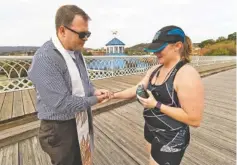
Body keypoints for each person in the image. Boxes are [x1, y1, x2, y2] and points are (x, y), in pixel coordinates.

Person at [28, 5, 111, 165]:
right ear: (62, 30)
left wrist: (93, 90)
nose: (85, 39)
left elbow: (82, 82)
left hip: (79, 118)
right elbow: (61, 104)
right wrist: (95, 100)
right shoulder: (45, 59)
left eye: (88, 34)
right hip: (59, 129)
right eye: (82, 34)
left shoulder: (75, 51)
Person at [111, 25, 204, 165]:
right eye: (154, 49)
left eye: (160, 49)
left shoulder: (186, 74)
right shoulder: (155, 69)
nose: (156, 53)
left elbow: (194, 119)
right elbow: (137, 89)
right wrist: (112, 95)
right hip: (151, 130)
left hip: (171, 138)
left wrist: (156, 105)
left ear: (177, 46)